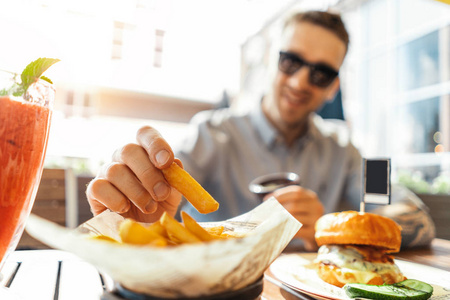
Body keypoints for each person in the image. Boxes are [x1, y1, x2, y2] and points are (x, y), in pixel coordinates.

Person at [86, 10, 434, 251]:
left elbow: (416, 215)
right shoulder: (210, 133)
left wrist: (327, 227)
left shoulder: (347, 149)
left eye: (321, 73)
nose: (300, 81)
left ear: (334, 87)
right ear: (270, 57)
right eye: (291, 61)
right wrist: (140, 203)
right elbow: (155, 198)